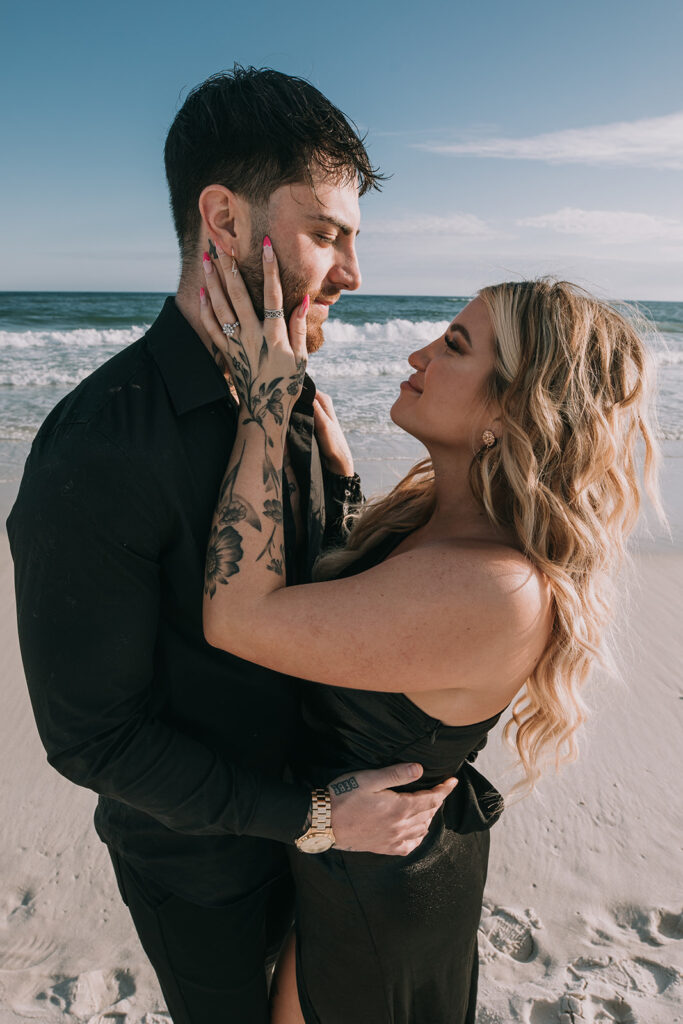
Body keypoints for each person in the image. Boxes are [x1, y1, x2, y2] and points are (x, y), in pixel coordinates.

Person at [7, 67, 457, 1024]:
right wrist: (314, 818)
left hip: (339, 839)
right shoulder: (98, 449)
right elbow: (92, 737)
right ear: (222, 219)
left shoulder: (292, 398)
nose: (352, 274)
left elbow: (312, 600)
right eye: (325, 233)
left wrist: (339, 486)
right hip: (208, 868)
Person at [199, 246, 664, 1024]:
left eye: (452, 346)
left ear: (513, 408)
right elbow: (375, 615)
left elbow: (236, 618)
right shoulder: (440, 527)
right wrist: (345, 490)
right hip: (363, 861)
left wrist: (265, 403)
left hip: (372, 904)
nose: (415, 353)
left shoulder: (495, 587)